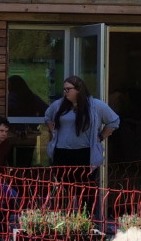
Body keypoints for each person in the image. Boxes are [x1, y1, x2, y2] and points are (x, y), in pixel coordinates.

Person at [44, 75, 121, 220]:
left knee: (84, 192)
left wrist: (100, 137)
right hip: (62, 153)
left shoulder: (96, 106)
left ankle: (84, 223)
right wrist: (54, 132)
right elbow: (47, 117)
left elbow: (114, 121)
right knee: (63, 191)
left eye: (68, 89)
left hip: (85, 154)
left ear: (79, 89)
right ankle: (62, 223)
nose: (65, 92)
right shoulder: (59, 105)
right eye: (64, 89)